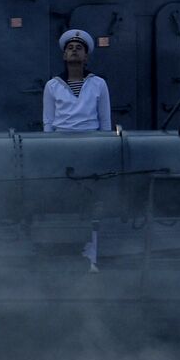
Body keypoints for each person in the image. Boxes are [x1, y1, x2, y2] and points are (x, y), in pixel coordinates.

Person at [43, 28, 112, 272]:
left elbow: (105, 121)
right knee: (62, 198)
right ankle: (59, 252)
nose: (74, 50)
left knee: (92, 202)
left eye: (79, 48)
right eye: (69, 48)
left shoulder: (98, 84)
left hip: (90, 145)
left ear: (86, 57)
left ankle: (91, 255)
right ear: (63, 55)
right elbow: (48, 121)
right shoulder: (52, 85)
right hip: (62, 145)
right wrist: (49, 149)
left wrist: (104, 148)